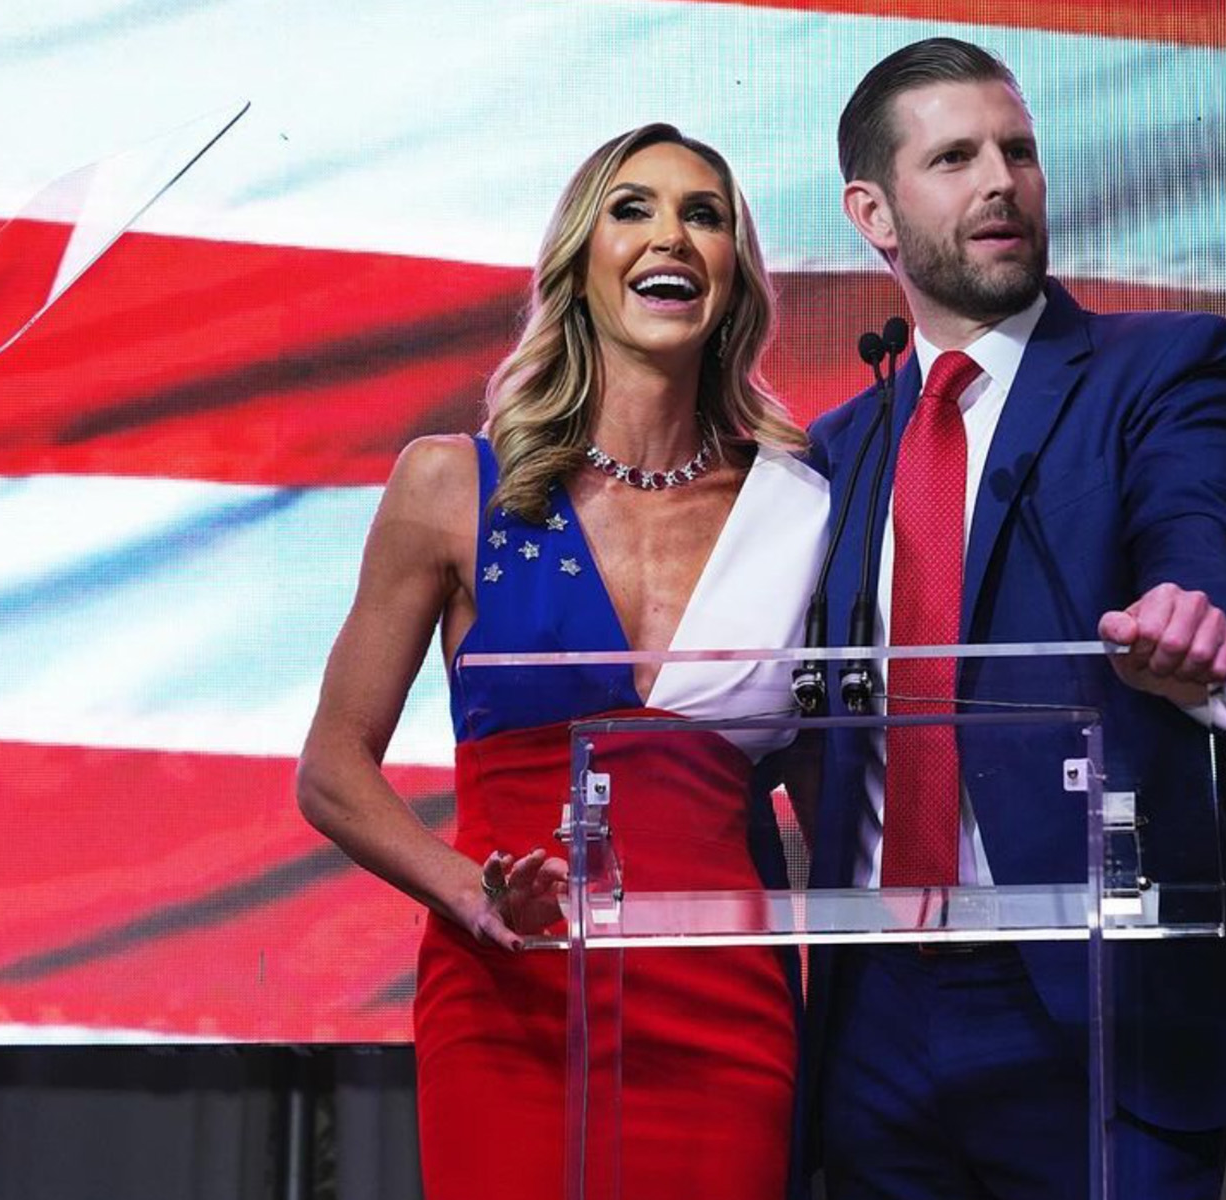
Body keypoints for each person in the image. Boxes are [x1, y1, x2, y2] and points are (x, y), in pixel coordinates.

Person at [802, 38, 1226, 1199]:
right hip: (877, 1011)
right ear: (874, 214)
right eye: (957, 157)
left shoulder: (1164, 368)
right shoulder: (835, 455)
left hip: (1096, 989)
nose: (1002, 181)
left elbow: (1201, 535)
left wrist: (1198, 620)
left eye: (1019, 152)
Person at [297, 123, 828, 1200]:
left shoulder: (800, 506)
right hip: (508, 993)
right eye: (631, 208)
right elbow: (331, 768)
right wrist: (465, 890)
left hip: (725, 1006)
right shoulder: (452, 485)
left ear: (734, 276)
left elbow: (830, 783)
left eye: (704, 213)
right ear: (579, 260)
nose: (669, 234)